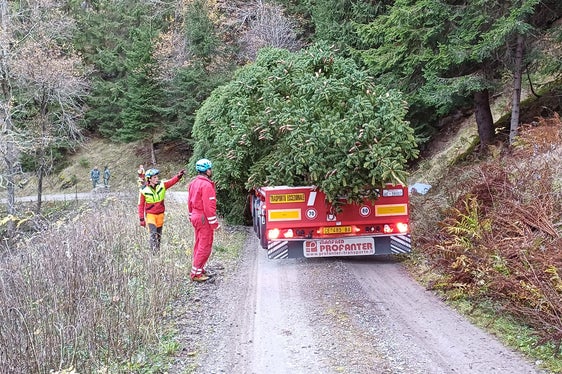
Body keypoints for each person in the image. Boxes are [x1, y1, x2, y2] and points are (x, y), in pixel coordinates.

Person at [138, 168, 185, 253]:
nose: (157, 179)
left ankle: (157, 253)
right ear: (149, 179)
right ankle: (153, 253)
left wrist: (179, 176)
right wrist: (141, 219)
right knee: (153, 233)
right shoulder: (143, 190)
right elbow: (140, 205)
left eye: (157, 177)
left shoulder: (162, 185)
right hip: (150, 215)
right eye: (154, 177)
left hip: (160, 214)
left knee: (158, 235)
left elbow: (171, 182)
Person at [187, 158, 219, 282]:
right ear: (207, 170)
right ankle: (195, 274)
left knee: (199, 243)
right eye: (210, 169)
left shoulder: (193, 183)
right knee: (205, 245)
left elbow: (189, 202)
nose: (211, 171)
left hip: (195, 216)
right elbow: (209, 206)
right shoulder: (206, 185)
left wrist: (191, 216)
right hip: (203, 218)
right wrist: (214, 223)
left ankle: (199, 269)